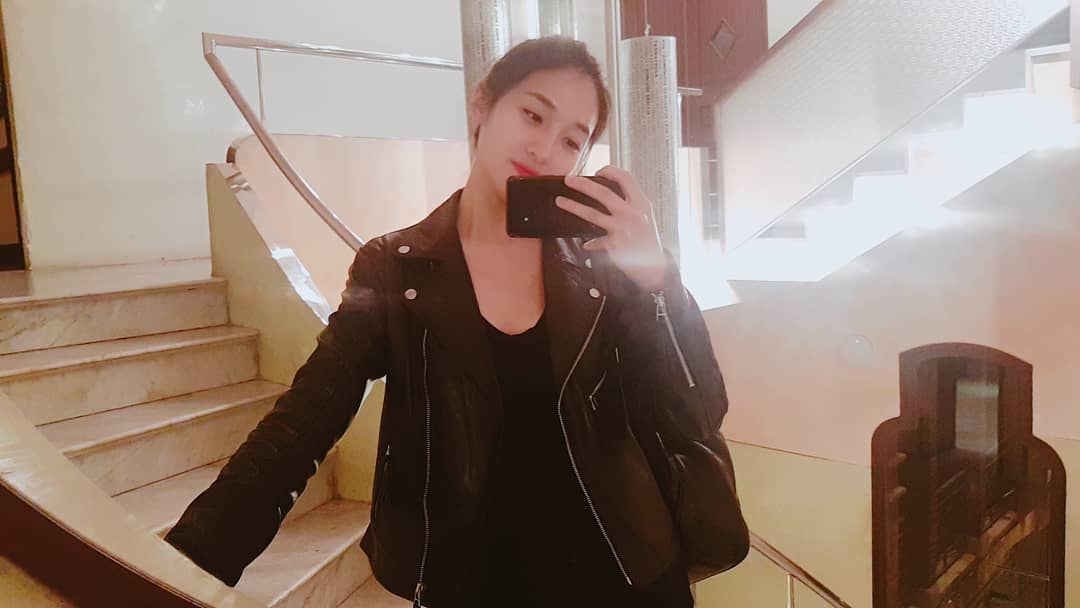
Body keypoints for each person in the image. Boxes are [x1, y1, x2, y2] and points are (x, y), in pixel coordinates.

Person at [165, 36, 739, 608]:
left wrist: (658, 281)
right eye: (533, 115)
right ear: (482, 105)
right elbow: (307, 418)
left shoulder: (602, 264)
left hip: (625, 580)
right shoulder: (396, 267)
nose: (544, 149)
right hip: (470, 585)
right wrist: (190, 560)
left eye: (572, 139)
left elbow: (696, 412)